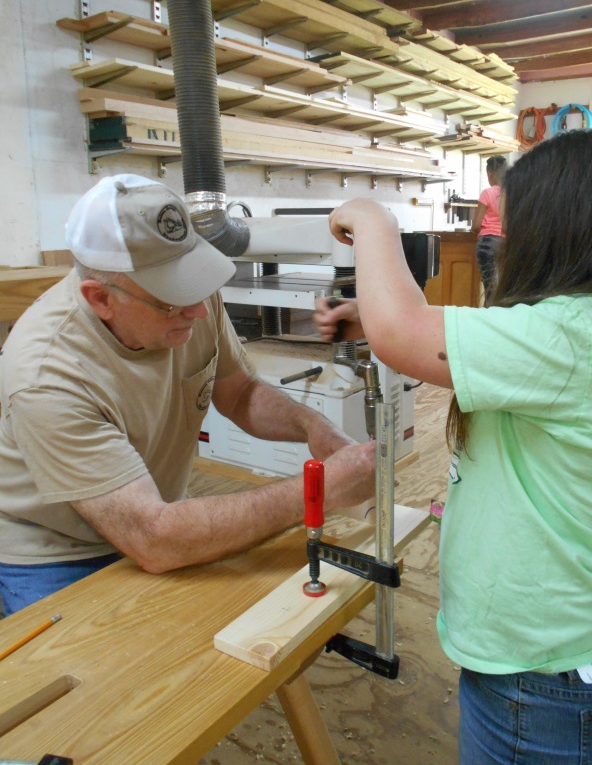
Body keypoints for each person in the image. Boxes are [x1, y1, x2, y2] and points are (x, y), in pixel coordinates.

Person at [315, 130, 592, 765]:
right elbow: (422, 330)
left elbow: (401, 333)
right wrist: (372, 313)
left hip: (546, 679)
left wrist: (370, 217)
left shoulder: (573, 334)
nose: (503, 238)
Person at [0, 174, 375, 617]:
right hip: (57, 549)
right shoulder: (47, 376)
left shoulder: (192, 300)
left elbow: (240, 393)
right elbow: (154, 540)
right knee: (117, 680)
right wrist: (319, 491)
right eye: (171, 299)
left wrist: (316, 427)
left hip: (152, 514)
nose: (199, 310)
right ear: (101, 298)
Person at [471, 154, 507, 305]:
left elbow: (477, 225)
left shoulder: (487, 193)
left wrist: (475, 232)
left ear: (490, 173)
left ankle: (489, 319)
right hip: (505, 244)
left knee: (490, 289)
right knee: (502, 287)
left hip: (487, 244)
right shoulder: (510, 193)